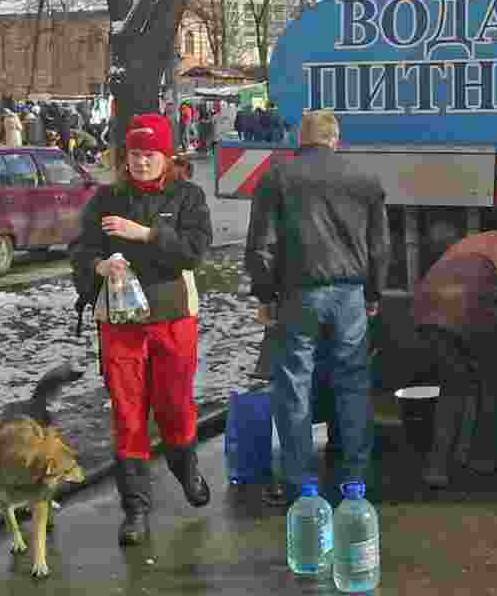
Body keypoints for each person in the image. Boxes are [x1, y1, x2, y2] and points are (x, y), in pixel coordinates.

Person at [69, 113, 213, 545]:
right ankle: (135, 510)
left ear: (167, 156)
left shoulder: (187, 196)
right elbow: (80, 250)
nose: (142, 162)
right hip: (121, 324)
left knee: (174, 406)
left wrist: (147, 234)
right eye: (135, 154)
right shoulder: (106, 198)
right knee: (128, 414)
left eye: (150, 154)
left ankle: (186, 470)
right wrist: (99, 264)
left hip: (172, 318)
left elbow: (193, 252)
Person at [244, 109, 390, 505]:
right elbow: (379, 245)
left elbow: (262, 243)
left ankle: (302, 483)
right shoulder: (365, 179)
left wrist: (264, 295)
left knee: (294, 385)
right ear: (335, 139)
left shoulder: (278, 177)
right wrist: (374, 293)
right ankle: (355, 480)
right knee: (353, 383)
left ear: (300, 140)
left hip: (298, 293)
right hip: (350, 295)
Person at [412, 228, 497, 488]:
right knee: (492, 378)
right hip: (467, 309)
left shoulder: (474, 242)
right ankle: (482, 457)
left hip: (425, 309)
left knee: (452, 384)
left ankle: (437, 466)